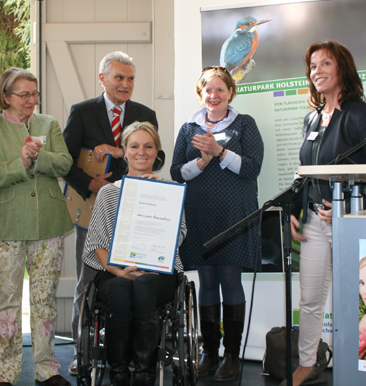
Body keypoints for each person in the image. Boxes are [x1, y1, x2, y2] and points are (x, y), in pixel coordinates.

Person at [288, 40, 366, 386]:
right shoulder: (311, 118)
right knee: (310, 299)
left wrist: (350, 205)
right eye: (312, 66)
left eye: (325, 64)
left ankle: (359, 364)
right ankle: (307, 362)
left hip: (351, 223)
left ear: (343, 69)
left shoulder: (363, 114)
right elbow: (304, 171)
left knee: (358, 300)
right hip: (315, 223)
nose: (316, 71)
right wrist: (295, 209)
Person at [62, 51, 163, 375]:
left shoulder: (145, 113)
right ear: (103, 78)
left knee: (138, 281)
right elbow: (65, 161)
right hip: (94, 209)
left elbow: (156, 159)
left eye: (130, 78)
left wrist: (122, 151)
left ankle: (135, 349)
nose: (125, 84)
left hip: (139, 211)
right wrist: (90, 183)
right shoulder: (82, 113)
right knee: (87, 281)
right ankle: (81, 352)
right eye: (118, 77)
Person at [0, 68, 73, 386]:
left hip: (48, 224)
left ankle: (47, 370)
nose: (31, 100)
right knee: (7, 301)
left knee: (44, 299)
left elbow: (65, 163)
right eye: (23, 94)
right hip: (4, 226)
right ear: (6, 97)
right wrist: (20, 163)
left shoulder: (49, 124)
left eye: (34, 94)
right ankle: (3, 374)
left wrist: (38, 157)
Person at [170, 66, 264, 382]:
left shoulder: (245, 125)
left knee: (230, 281)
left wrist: (219, 151)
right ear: (201, 94)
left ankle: (233, 356)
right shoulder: (188, 128)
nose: (214, 96)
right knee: (207, 283)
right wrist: (202, 161)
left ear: (230, 93)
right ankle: (210, 353)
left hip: (235, 215)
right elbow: (175, 172)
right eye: (208, 90)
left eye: (220, 89)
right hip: (199, 215)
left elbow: (252, 168)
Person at [83, 121, 186, 386]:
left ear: (157, 152)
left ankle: (144, 372)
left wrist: (159, 197)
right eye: (135, 146)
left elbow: (179, 233)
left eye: (148, 146)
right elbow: (96, 242)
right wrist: (119, 270)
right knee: (119, 287)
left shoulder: (169, 191)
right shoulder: (108, 193)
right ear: (125, 151)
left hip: (157, 272)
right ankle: (118, 371)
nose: (142, 152)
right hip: (114, 271)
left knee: (144, 285)